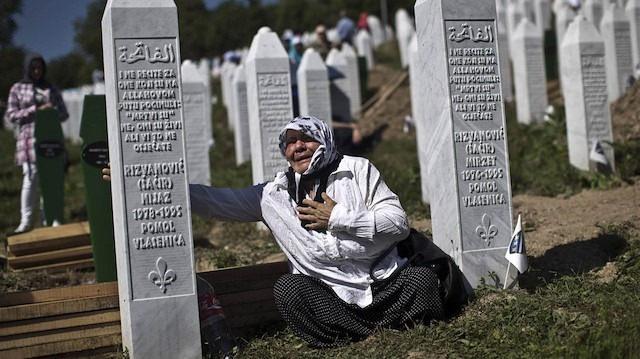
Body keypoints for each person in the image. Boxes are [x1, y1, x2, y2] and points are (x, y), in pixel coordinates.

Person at [102, 116, 444, 347]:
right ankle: (362, 335)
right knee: (288, 290)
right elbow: (213, 200)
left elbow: (398, 223)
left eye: (305, 139)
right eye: (289, 143)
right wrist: (143, 184)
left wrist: (337, 217)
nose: (297, 148)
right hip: (330, 294)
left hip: (382, 281)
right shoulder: (272, 195)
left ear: (322, 139)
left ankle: (386, 327)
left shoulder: (358, 170)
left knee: (422, 282)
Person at [5, 54, 68, 233]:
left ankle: (50, 218)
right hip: (29, 140)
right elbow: (11, 114)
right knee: (31, 178)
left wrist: (51, 111)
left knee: (51, 180)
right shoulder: (17, 88)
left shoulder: (51, 88)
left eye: (40, 68)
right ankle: (26, 221)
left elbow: (63, 113)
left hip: (51, 140)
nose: (37, 71)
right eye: (33, 68)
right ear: (27, 68)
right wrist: (35, 110)